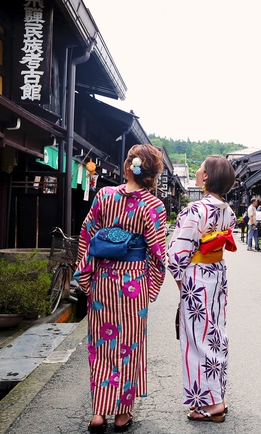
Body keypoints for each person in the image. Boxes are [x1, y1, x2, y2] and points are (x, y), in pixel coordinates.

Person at [74, 144, 167, 433]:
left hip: (102, 278)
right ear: (152, 174)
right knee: (129, 345)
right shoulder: (154, 206)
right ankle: (122, 415)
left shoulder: (104, 195)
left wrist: (86, 276)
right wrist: (150, 286)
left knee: (101, 346)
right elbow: (157, 253)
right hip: (133, 282)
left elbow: (87, 235)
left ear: (128, 166)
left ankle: (99, 413)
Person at [167, 155, 237, 423]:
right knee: (216, 336)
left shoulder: (195, 210)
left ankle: (210, 405)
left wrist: (182, 286)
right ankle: (217, 396)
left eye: (201, 169)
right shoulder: (227, 211)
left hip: (196, 278)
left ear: (206, 177)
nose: (197, 171)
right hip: (217, 275)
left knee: (197, 341)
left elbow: (176, 255)